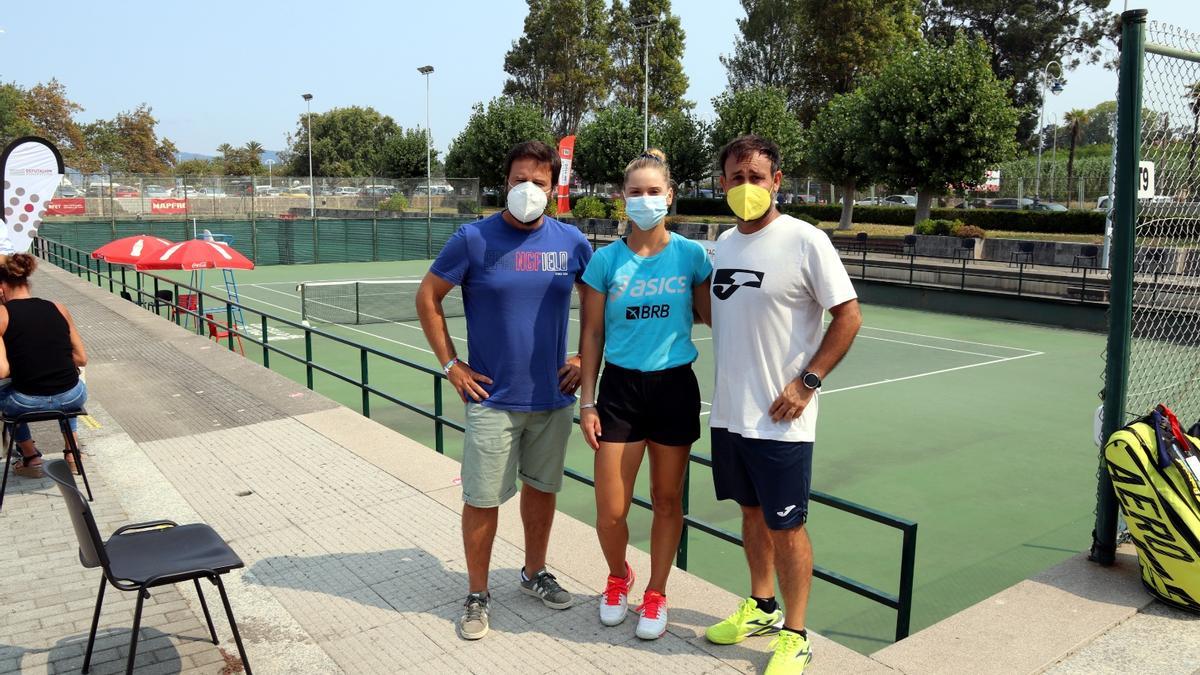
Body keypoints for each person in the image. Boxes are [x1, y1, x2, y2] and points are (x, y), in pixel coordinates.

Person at [415, 140, 593, 641]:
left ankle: (534, 572)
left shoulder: (573, 242)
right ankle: (477, 593)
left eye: (539, 181)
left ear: (554, 184)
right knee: (482, 499)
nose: (528, 189)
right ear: (505, 182)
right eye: (519, 180)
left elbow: (598, 304)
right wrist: (451, 364)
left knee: (542, 494)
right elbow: (427, 297)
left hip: (553, 400)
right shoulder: (473, 238)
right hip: (492, 401)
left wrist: (581, 358)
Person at [704, 135, 862, 675]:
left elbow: (848, 316)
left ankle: (796, 634)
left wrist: (808, 382)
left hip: (781, 421)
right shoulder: (723, 244)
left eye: (756, 177)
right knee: (750, 514)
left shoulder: (806, 240)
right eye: (735, 177)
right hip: (728, 416)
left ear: (777, 182)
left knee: (787, 526)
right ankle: (762, 607)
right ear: (721, 183)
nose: (746, 186)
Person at [577, 149, 712, 640]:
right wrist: (587, 401)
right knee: (611, 509)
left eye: (654, 191)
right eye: (636, 192)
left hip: (674, 387)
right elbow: (591, 336)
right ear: (622, 199)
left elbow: (716, 318)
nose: (645, 199)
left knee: (666, 499)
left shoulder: (692, 256)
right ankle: (618, 577)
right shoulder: (604, 261)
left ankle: (656, 591)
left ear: (670, 197)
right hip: (619, 390)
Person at [0, 253, 89, 478]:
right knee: (66, 385)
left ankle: (31, 458)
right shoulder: (58, 307)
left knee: (4, 396)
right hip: (72, 397)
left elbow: (3, 371)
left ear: (2, 287)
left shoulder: (2, 315)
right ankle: (73, 453)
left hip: (25, 402)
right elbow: (81, 359)